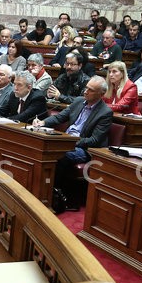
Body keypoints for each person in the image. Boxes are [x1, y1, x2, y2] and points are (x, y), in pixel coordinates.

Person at [32, 76, 112, 211]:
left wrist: (70, 142)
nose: (86, 91)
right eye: (86, 88)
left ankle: (51, 195)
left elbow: (94, 140)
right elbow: (60, 117)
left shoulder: (105, 112)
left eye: (91, 90)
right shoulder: (79, 101)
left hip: (84, 149)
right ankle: (36, 189)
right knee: (39, 146)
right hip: (66, 141)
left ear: (101, 94)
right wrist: (43, 122)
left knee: (60, 155)